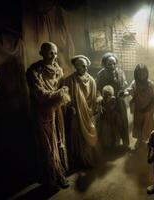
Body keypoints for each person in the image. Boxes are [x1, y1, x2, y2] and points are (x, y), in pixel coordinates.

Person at [26, 42, 70, 191]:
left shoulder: (58, 69)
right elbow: (40, 95)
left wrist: (63, 92)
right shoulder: (33, 71)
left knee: (59, 139)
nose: (54, 56)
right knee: (47, 145)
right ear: (42, 53)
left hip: (56, 110)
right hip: (42, 112)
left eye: (56, 53)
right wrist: (60, 93)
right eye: (51, 53)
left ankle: (60, 173)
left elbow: (62, 87)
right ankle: (51, 178)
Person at [64, 55, 99, 168]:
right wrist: (70, 107)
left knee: (89, 135)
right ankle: (80, 160)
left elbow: (94, 97)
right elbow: (65, 97)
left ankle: (88, 158)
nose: (85, 69)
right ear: (76, 67)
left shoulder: (92, 80)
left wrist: (94, 107)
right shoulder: (69, 81)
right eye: (82, 66)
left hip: (88, 114)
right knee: (77, 137)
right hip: (77, 114)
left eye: (86, 66)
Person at [97, 53, 129, 148]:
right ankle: (111, 144)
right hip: (107, 102)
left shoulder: (120, 72)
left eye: (114, 63)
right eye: (109, 64)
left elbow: (124, 85)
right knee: (109, 123)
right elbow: (98, 89)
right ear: (105, 64)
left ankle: (125, 143)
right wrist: (101, 99)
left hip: (119, 101)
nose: (112, 66)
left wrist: (123, 92)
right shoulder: (101, 74)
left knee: (122, 121)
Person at [126, 64, 154, 149]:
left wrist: (151, 104)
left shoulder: (150, 84)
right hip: (139, 108)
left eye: (143, 73)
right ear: (136, 74)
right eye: (139, 73)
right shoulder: (134, 83)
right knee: (139, 125)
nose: (141, 75)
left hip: (148, 109)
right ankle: (139, 140)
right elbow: (130, 90)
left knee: (148, 125)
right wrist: (125, 93)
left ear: (146, 73)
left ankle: (148, 140)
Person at [97, 85, 122, 149]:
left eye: (108, 94)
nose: (106, 96)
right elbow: (100, 109)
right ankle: (107, 144)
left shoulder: (113, 99)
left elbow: (113, 108)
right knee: (106, 132)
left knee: (114, 132)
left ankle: (114, 144)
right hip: (106, 119)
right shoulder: (102, 100)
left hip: (113, 118)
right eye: (105, 94)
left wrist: (108, 109)